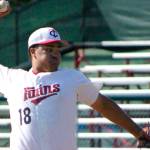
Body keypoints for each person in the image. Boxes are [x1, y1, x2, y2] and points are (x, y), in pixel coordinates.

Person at [0, 27, 149, 150]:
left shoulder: (72, 77)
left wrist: (138, 132)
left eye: (58, 49)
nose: (56, 53)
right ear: (33, 52)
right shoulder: (12, 78)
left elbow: (103, 105)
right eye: (49, 49)